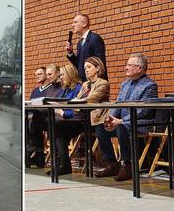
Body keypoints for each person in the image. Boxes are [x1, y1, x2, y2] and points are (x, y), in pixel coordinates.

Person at [94, 53, 158, 181]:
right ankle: (112, 163)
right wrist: (110, 118)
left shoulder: (150, 85)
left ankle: (128, 165)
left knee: (121, 126)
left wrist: (122, 120)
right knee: (101, 127)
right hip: (122, 122)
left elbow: (144, 111)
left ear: (139, 68)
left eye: (129, 65)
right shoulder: (125, 84)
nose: (125, 67)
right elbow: (118, 104)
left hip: (141, 122)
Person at [49, 57, 110, 175]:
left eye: (89, 67)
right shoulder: (85, 85)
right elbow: (77, 100)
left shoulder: (103, 83)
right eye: (85, 68)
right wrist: (75, 103)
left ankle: (110, 163)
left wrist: (71, 106)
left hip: (95, 120)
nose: (86, 70)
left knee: (57, 125)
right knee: (56, 127)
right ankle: (64, 164)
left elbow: (89, 100)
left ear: (97, 68)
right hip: (82, 118)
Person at [27, 64, 62, 168]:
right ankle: (30, 154)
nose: (37, 76)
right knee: (27, 122)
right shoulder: (35, 91)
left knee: (34, 123)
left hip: (49, 117)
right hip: (37, 117)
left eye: (40, 74)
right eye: (36, 74)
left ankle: (37, 155)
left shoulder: (52, 88)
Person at [66, 14, 108, 82]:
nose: (72, 25)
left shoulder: (95, 39)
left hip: (95, 84)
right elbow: (79, 65)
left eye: (75, 22)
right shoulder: (80, 43)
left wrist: (97, 84)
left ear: (84, 24)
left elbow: (100, 64)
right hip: (84, 84)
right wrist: (70, 53)